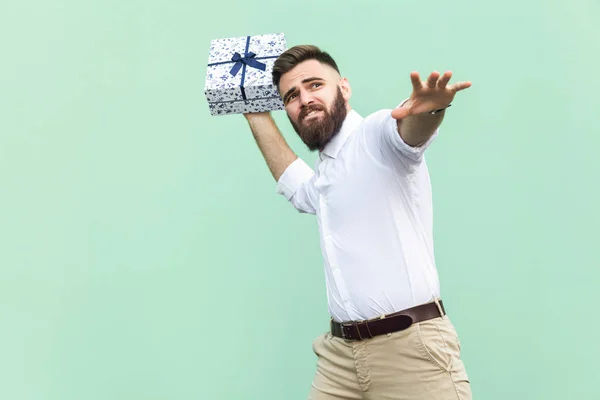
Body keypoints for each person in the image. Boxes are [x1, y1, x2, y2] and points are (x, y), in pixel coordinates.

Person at [243, 44, 472, 400]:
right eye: (291, 95)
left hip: (411, 352)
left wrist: (430, 111)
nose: (304, 99)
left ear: (344, 88)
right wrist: (255, 112)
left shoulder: (375, 135)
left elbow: (408, 129)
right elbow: (299, 189)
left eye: (315, 84)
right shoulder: (327, 173)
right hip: (339, 357)